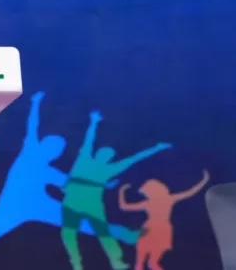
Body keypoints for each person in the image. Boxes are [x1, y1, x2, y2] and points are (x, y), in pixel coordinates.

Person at [60, 111, 171, 270]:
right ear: (98, 153)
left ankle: (116, 261)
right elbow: (88, 140)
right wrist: (93, 122)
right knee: (69, 232)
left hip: (92, 204)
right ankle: (76, 262)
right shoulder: (84, 159)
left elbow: (134, 158)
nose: (105, 155)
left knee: (103, 233)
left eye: (109, 155)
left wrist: (156, 148)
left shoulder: (110, 169)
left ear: (110, 159)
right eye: (104, 153)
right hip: (72, 201)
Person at [118, 171, 210, 270]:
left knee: (143, 263)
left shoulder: (151, 202)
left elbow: (124, 206)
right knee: (150, 263)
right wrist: (204, 180)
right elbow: (190, 192)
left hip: (153, 228)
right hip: (158, 228)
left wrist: (121, 191)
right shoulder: (168, 199)